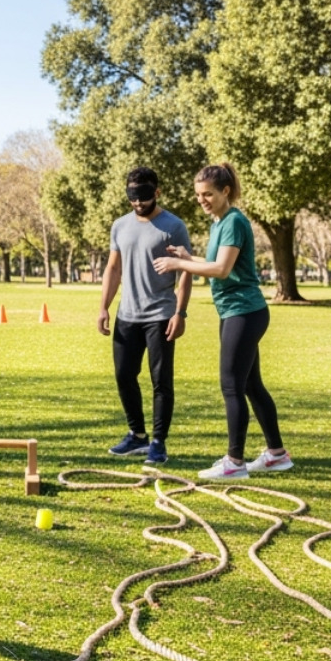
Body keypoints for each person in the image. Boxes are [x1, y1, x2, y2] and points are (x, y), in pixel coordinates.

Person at [152, 162, 290, 480]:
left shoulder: (233, 221)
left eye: (208, 194)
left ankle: (235, 462)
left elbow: (222, 270)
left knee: (232, 386)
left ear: (225, 191)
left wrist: (176, 263)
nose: (202, 199)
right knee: (252, 385)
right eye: (199, 194)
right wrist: (189, 258)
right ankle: (276, 454)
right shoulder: (219, 223)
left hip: (244, 311)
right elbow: (215, 262)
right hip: (235, 311)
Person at [98, 167, 192, 465]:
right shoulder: (120, 226)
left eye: (144, 196)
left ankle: (157, 442)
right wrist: (104, 306)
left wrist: (180, 312)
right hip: (128, 314)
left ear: (157, 192)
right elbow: (113, 268)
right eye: (132, 196)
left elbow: (186, 271)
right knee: (124, 375)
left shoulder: (173, 226)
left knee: (160, 381)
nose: (138, 202)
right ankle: (136, 435)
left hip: (161, 314)